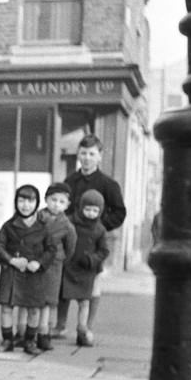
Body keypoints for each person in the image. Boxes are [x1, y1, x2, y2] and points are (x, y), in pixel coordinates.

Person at [54, 134, 125, 337]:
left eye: (91, 154)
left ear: (100, 156)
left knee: (93, 287)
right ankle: (60, 326)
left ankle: (86, 327)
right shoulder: (70, 181)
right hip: (70, 244)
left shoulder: (108, 185)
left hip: (93, 247)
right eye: (83, 153)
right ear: (78, 155)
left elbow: (120, 212)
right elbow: (62, 206)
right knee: (63, 285)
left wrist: (98, 227)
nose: (86, 158)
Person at [0, 184, 54, 354]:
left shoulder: (43, 227)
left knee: (34, 308)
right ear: (15, 202)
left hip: (33, 274)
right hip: (12, 272)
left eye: (30, 201)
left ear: (37, 203)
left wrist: (39, 263)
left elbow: (51, 250)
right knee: (6, 307)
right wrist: (11, 260)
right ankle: (7, 340)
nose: (25, 205)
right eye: (21, 200)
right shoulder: (9, 226)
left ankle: (29, 341)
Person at [61, 189, 110, 346]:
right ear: (81, 207)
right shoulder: (70, 223)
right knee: (61, 298)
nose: (90, 213)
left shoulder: (99, 229)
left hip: (88, 269)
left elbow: (104, 250)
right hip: (69, 266)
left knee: (85, 302)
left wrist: (92, 260)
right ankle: (56, 325)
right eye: (87, 209)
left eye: (95, 210)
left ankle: (82, 330)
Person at [36, 182, 76, 351]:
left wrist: (60, 258)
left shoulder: (67, 226)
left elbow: (70, 247)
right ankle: (29, 331)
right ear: (46, 199)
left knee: (48, 301)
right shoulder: (36, 218)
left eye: (61, 202)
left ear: (67, 205)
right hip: (36, 263)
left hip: (53, 265)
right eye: (53, 200)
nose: (56, 204)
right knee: (32, 298)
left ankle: (44, 332)